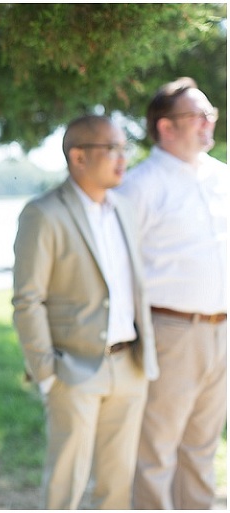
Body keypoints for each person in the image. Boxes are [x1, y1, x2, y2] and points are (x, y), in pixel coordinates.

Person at [12, 115, 160, 509]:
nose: (122, 158)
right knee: (65, 485)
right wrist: (47, 373)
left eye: (123, 148)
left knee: (116, 486)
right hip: (72, 371)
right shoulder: (43, 213)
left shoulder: (125, 208)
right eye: (112, 148)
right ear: (78, 156)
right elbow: (27, 300)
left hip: (129, 364)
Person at [116, 77, 227, 510]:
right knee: (156, 451)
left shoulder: (222, 177)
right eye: (197, 116)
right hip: (170, 331)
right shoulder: (139, 186)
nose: (207, 123)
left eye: (209, 114)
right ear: (165, 127)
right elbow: (118, 267)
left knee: (202, 448)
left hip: (221, 332)